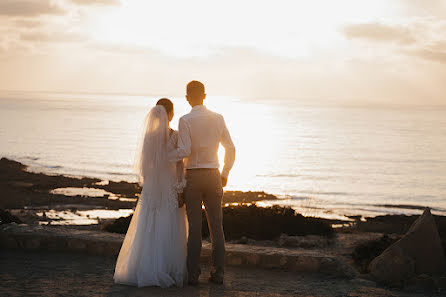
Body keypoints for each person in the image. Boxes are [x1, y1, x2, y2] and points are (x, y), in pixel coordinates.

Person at [113, 98, 188, 288]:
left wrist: (150, 183)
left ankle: (144, 267)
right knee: (169, 226)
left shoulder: (148, 137)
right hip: (169, 186)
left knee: (149, 227)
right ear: (170, 114)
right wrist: (180, 188)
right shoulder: (175, 135)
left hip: (153, 187)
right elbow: (180, 166)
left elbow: (145, 168)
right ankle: (166, 268)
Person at [168, 80, 236, 285]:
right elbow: (230, 148)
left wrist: (164, 156)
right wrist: (224, 173)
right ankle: (219, 273)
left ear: (187, 98)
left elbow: (185, 150)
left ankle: (193, 275)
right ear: (204, 96)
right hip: (214, 175)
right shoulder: (218, 118)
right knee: (217, 228)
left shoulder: (185, 120)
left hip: (194, 177)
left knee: (195, 229)